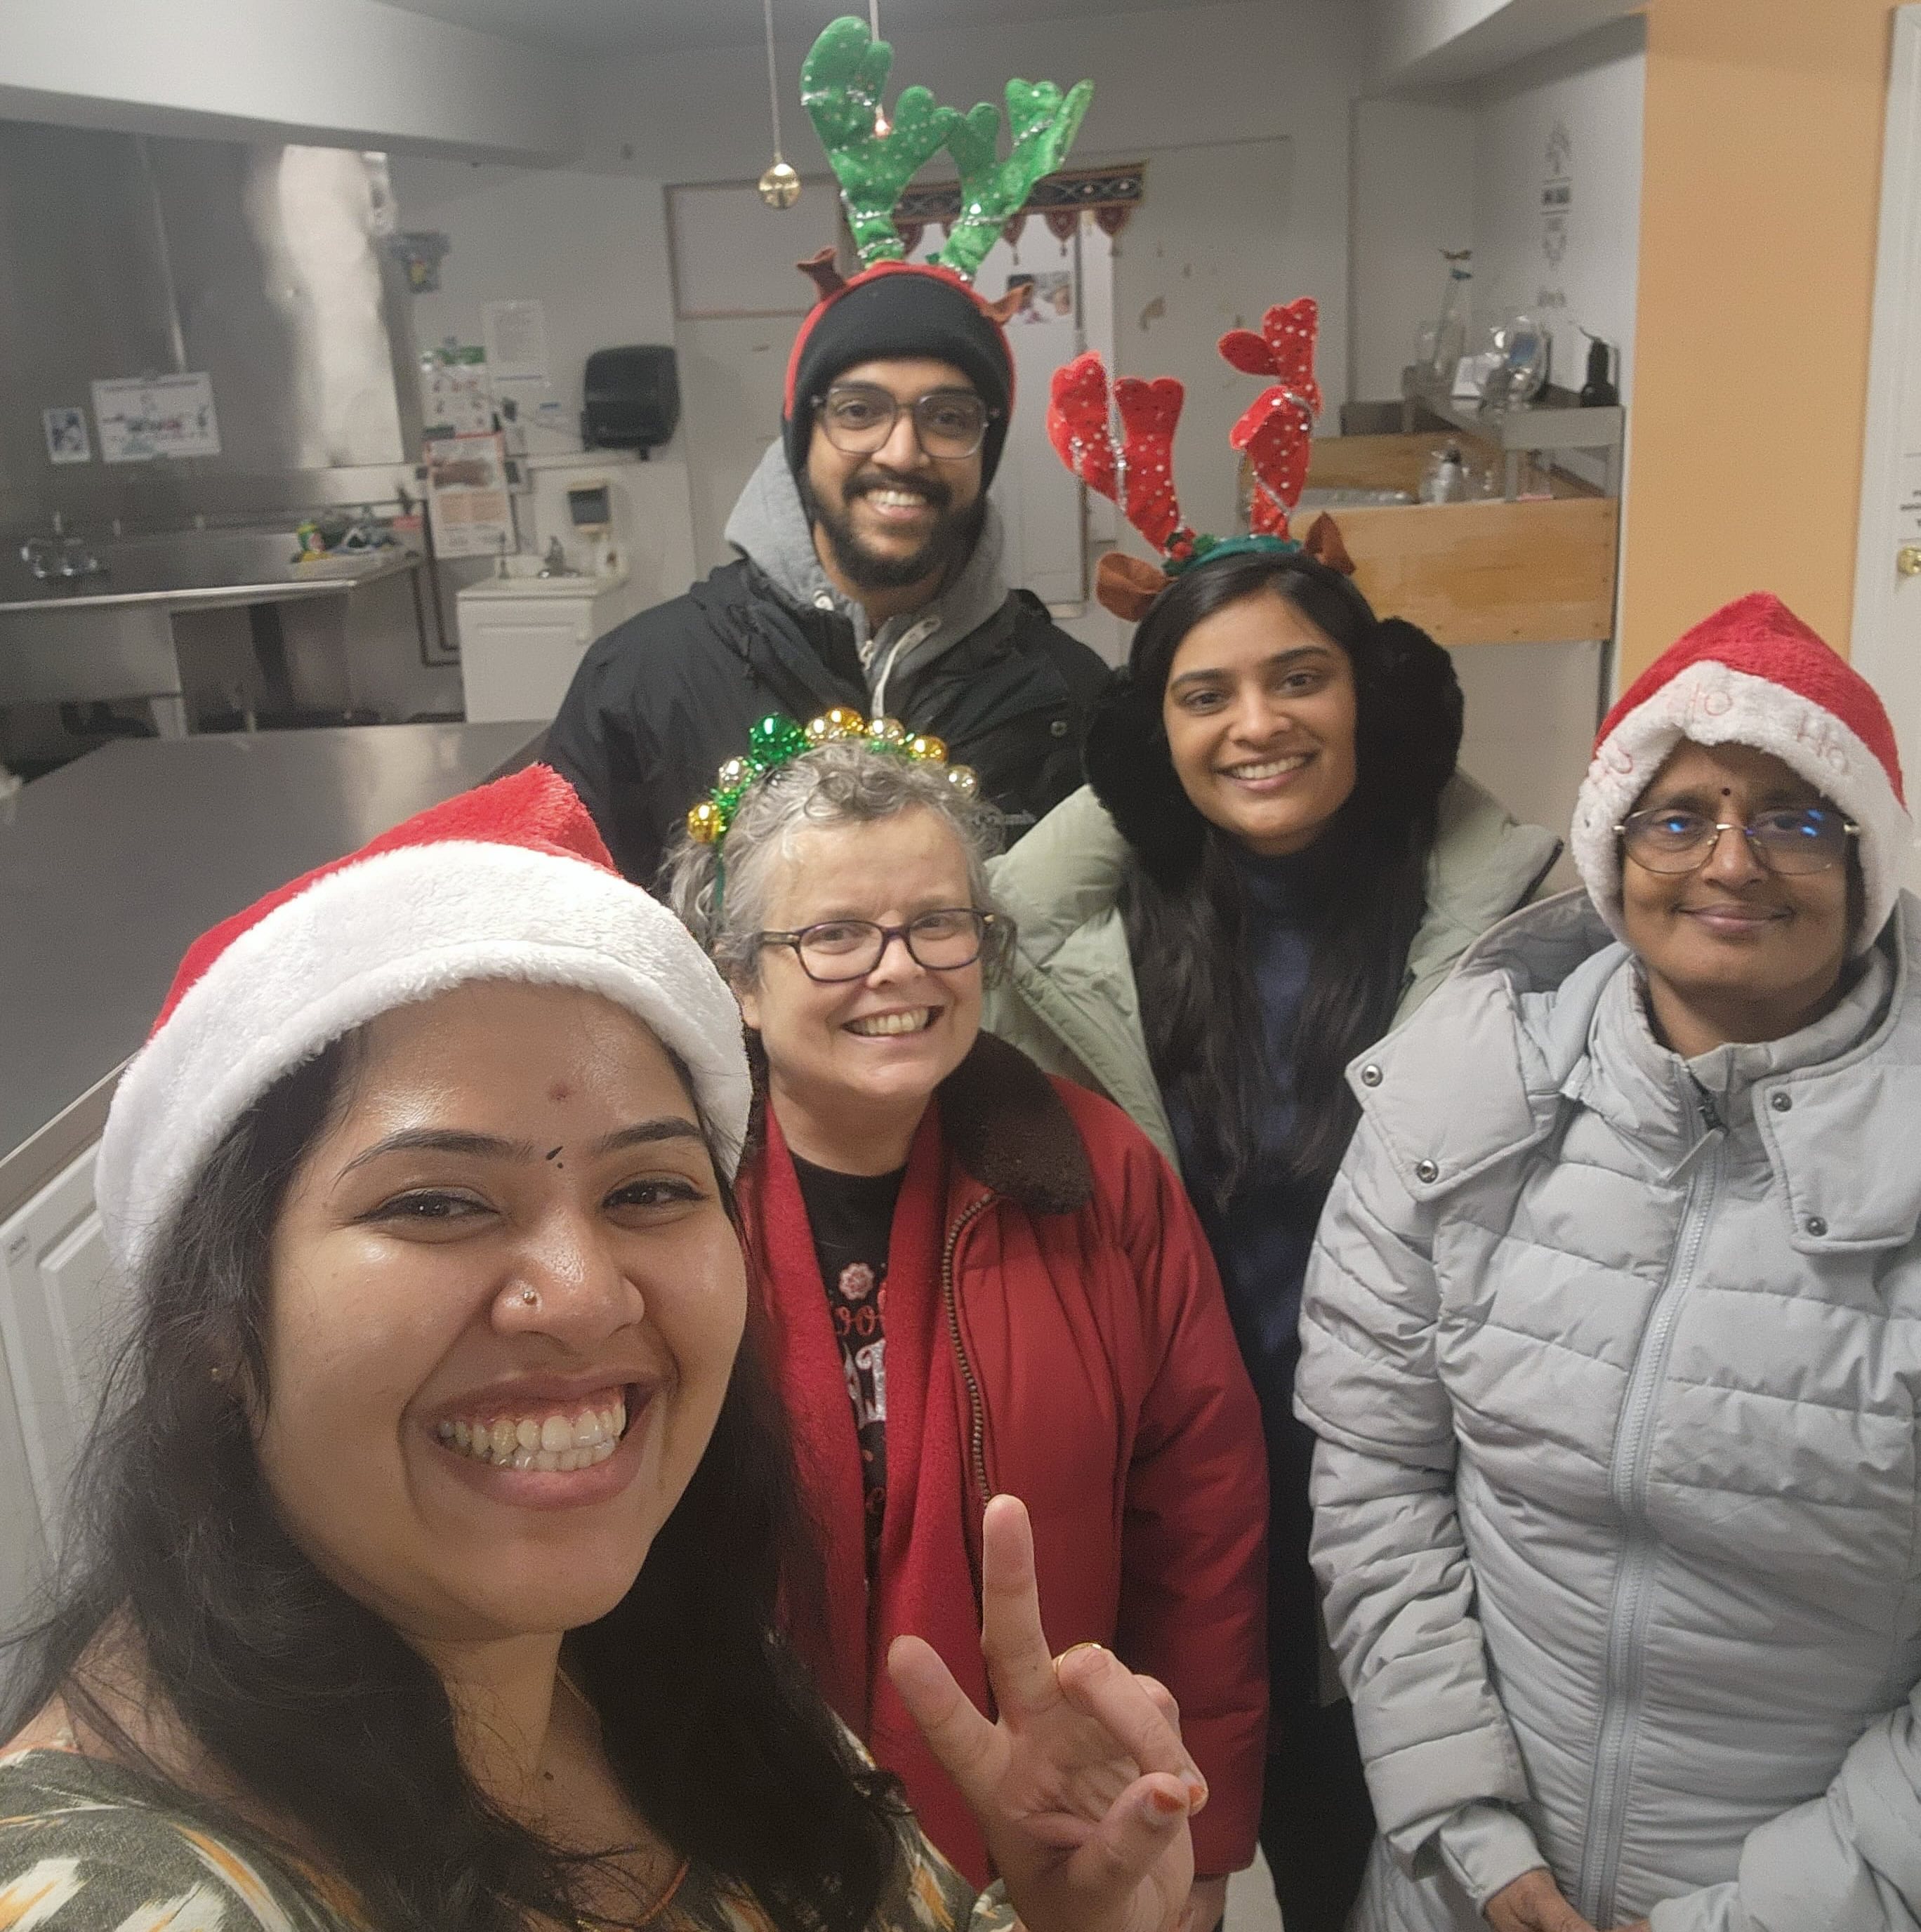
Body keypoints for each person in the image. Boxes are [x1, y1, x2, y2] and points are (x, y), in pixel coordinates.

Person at [0, 765, 1210, 1932]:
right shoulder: (115, 1888)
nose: (583, 1299)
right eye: (436, 1202)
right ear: (213, 1316)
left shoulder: (681, 1670)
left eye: (648, 1189)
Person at [1295, 591, 1921, 1932]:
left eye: (1796, 816)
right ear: (1610, 842)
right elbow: (1373, 1472)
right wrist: (1470, 1832)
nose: (1732, 863)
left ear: (1867, 858)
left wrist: (1766, 1915)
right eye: (1681, 815)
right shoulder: (1455, 1095)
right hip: (1458, 1886)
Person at [987, 546, 1559, 1932]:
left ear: (1372, 694)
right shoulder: (1070, 945)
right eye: (1205, 693)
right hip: (1178, 1513)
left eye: (1299, 677)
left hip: (1417, 1528)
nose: (1258, 724)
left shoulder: (1513, 928)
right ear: (1153, 731)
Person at [663, 724, 1269, 1921]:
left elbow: (1199, 1520)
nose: (899, 969)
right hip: (712, 1843)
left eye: (939, 923)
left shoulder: (1100, 1175)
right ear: (738, 976)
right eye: (834, 933)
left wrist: (1198, 1838)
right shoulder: (661, 1202)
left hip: (1035, 1834)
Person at [545, 262, 1109, 887]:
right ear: (801, 439)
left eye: (948, 417)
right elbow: (564, 941)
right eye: (859, 411)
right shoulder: (638, 684)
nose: (901, 453)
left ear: (987, 449)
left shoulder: (1068, 696)